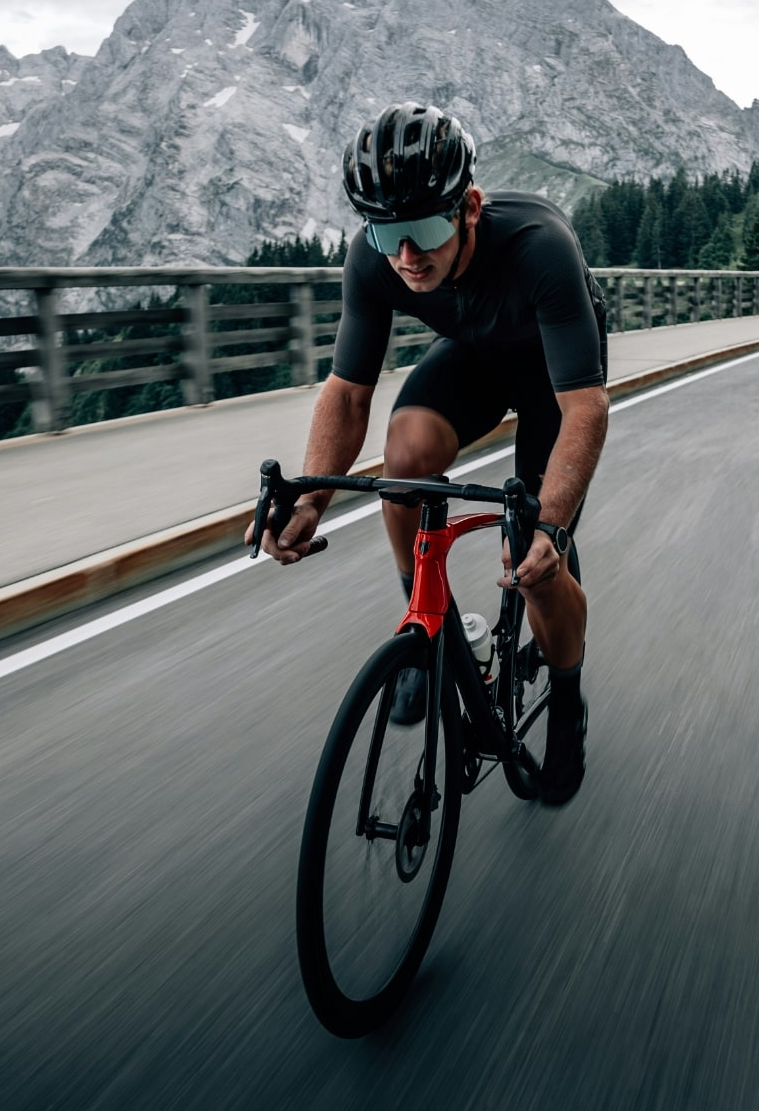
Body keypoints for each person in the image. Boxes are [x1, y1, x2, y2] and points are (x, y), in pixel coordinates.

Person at [250, 102, 608, 806]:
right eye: (386, 231)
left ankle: (566, 702)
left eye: (422, 229)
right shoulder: (377, 258)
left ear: (469, 207)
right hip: (474, 358)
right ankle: (428, 621)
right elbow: (348, 394)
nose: (407, 257)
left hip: (553, 381)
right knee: (402, 462)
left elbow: (585, 409)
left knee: (534, 567)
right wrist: (313, 498)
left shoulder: (540, 247)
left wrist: (552, 525)